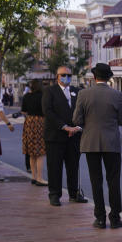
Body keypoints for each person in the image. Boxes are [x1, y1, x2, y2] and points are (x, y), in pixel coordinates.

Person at [72, 63, 122, 229]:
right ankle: (115, 218)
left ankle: (100, 218)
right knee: (113, 181)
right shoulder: (117, 95)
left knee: (96, 180)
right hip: (111, 143)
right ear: (109, 77)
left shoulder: (83, 94)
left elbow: (76, 120)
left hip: (91, 143)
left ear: (94, 77)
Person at [43, 66, 88, 207]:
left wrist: (77, 128)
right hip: (55, 136)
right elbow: (48, 112)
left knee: (73, 166)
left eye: (69, 75)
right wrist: (64, 127)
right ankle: (54, 194)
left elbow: (84, 112)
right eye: (63, 75)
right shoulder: (50, 91)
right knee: (55, 167)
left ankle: (74, 194)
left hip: (74, 137)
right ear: (57, 76)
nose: (66, 77)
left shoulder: (77, 92)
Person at [21, 80, 47, 186]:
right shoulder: (43, 96)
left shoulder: (27, 96)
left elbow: (23, 111)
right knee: (40, 152)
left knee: (31, 152)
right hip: (41, 122)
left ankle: (33, 177)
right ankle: (40, 178)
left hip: (29, 122)